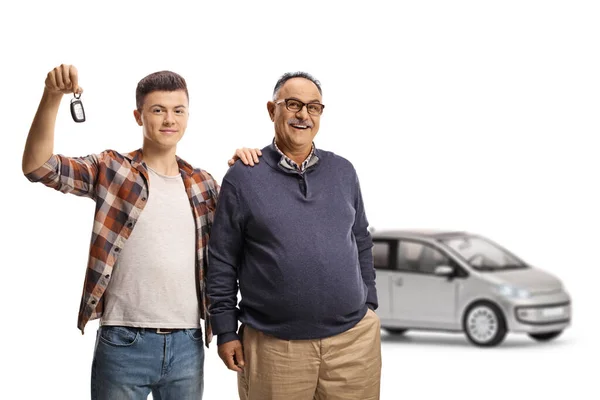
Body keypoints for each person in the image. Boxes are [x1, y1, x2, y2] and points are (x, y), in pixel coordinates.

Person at [21, 64, 261, 400]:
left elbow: (246, 236)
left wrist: (248, 170)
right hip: (123, 343)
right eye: (158, 110)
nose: (169, 120)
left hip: (187, 344)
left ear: (188, 116)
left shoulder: (204, 184)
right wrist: (52, 97)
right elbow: (38, 166)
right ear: (139, 116)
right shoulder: (113, 169)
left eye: (178, 111)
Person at [207, 72, 381, 400]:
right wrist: (226, 330)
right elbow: (222, 260)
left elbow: (360, 238)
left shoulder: (343, 171)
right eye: (293, 104)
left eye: (313, 107)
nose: (303, 115)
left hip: (352, 345)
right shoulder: (243, 177)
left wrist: (369, 302)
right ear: (272, 110)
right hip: (275, 349)